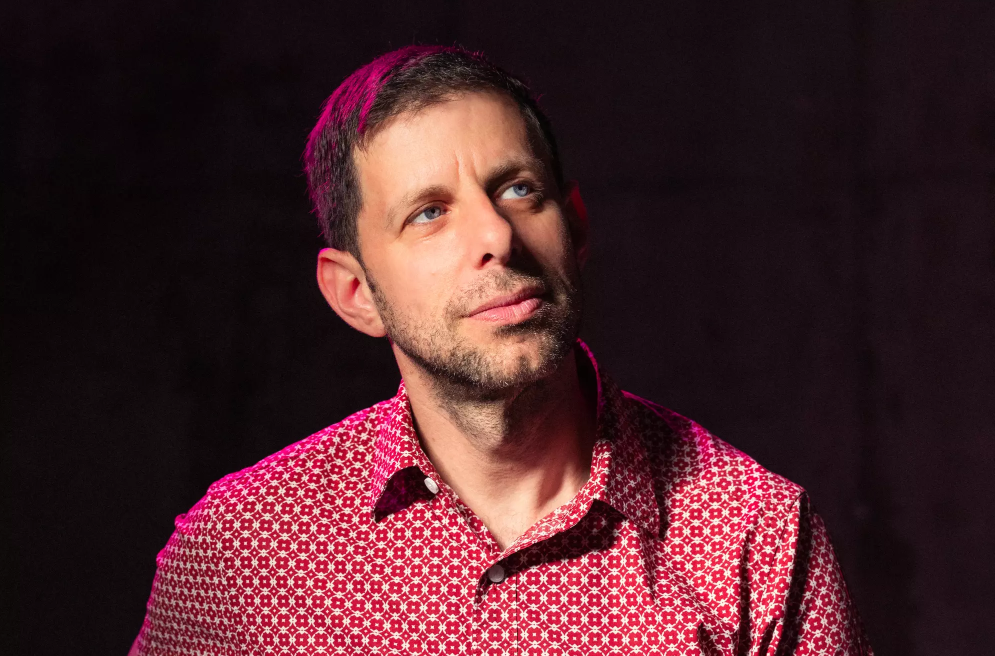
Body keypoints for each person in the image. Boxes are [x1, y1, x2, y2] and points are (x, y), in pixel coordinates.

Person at [131, 45, 872, 655]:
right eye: (428, 214)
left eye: (517, 190)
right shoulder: (239, 553)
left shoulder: (752, 535)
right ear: (355, 293)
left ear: (574, 225)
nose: (494, 238)